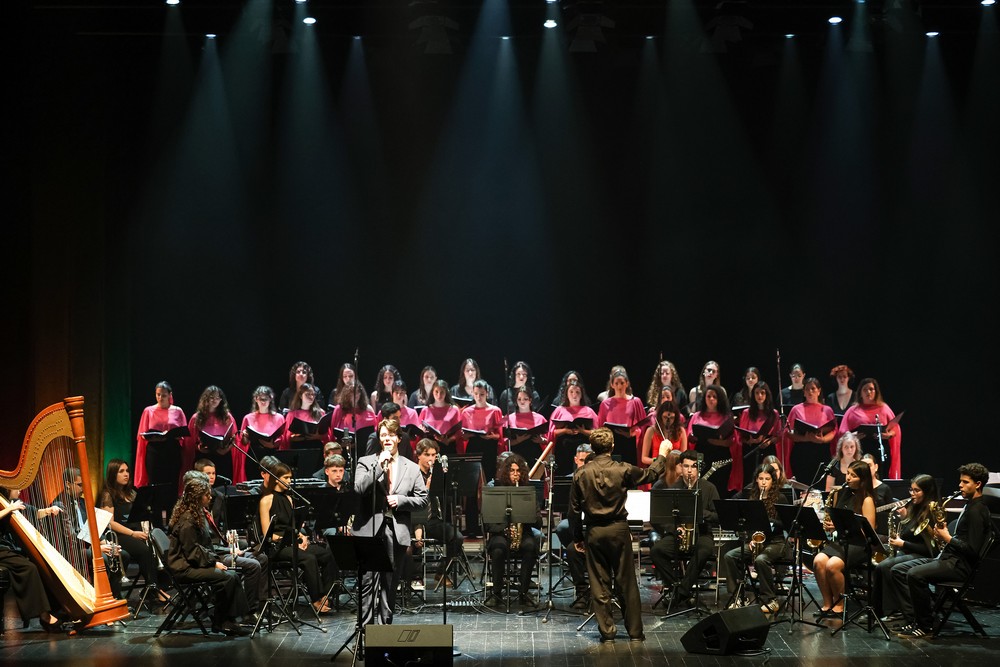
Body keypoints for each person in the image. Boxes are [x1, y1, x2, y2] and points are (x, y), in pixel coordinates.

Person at [571, 427, 671, 642]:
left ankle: (608, 632)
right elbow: (650, 474)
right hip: (618, 530)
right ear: (612, 447)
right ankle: (635, 632)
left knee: (599, 583)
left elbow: (574, 511)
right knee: (626, 582)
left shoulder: (581, 473)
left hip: (594, 532)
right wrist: (662, 454)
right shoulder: (622, 469)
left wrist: (577, 537)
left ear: (593, 448)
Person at [891, 463, 992, 639]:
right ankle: (914, 618)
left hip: (959, 566)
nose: (960, 485)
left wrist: (947, 538)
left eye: (965, 482)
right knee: (898, 570)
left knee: (915, 574)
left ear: (978, 484)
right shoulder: (970, 505)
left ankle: (925, 625)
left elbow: (973, 551)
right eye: (960, 481)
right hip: (949, 559)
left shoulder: (977, 510)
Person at [352, 418, 428, 625]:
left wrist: (401, 500)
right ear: (379, 438)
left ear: (398, 438)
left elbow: (423, 500)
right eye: (383, 435)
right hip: (369, 529)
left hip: (396, 530)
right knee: (367, 582)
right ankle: (365, 630)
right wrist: (378, 466)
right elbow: (359, 489)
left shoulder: (411, 468)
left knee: (389, 582)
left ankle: (384, 629)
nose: (387, 439)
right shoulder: (366, 462)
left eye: (391, 435)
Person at [166, 473, 249, 636]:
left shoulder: (195, 514)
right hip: (184, 568)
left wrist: (214, 559)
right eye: (206, 495)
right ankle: (222, 621)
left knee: (231, 575)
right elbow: (192, 552)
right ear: (197, 497)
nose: (210, 497)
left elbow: (199, 548)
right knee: (227, 577)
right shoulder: (188, 521)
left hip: (191, 563)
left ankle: (228, 619)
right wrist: (213, 563)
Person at [191, 460, 269, 618]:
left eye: (213, 473)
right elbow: (197, 545)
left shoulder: (218, 497)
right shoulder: (192, 508)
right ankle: (248, 611)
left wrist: (230, 544)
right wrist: (226, 551)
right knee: (253, 564)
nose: (212, 477)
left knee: (261, 556)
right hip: (210, 552)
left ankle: (260, 604)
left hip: (218, 545)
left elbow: (223, 525)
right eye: (208, 474)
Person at [258, 461, 337, 615]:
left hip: (293, 542)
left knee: (329, 554)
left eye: (290, 478)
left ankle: (326, 594)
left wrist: (302, 537)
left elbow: (294, 527)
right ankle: (315, 598)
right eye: (286, 478)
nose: (289, 481)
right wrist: (290, 540)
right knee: (308, 559)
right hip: (277, 547)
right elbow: (267, 534)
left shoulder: (289, 499)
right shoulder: (266, 500)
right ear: (276, 478)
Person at [649, 450, 722, 606]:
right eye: (686, 466)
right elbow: (664, 517)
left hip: (702, 533)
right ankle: (678, 587)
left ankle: (681, 592)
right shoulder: (675, 488)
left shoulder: (709, 488)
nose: (689, 470)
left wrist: (700, 513)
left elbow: (718, 516)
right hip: (680, 533)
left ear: (699, 468)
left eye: (693, 467)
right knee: (657, 551)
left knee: (703, 551)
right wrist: (675, 529)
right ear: (681, 467)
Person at [721, 463, 792, 614]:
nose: (764, 482)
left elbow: (785, 524)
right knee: (730, 556)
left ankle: (770, 599)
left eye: (767, 479)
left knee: (761, 559)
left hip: (776, 542)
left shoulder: (780, 497)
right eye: (761, 478)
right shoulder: (752, 497)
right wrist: (751, 539)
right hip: (756, 541)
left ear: (773, 481)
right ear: (756, 480)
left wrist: (769, 522)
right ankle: (738, 597)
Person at [98, 459, 170, 604]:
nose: (126, 474)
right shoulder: (108, 494)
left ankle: (159, 586)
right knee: (144, 550)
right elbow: (109, 522)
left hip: (135, 532)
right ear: (113, 474)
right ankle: (153, 588)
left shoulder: (131, 493)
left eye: (127, 471)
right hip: (119, 536)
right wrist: (132, 534)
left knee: (157, 548)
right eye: (121, 471)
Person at [811, 460, 877, 616]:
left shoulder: (867, 499)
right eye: (848, 473)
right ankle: (828, 603)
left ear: (862, 479)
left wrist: (840, 526)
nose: (848, 478)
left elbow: (869, 530)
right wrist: (831, 524)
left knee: (832, 565)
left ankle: (840, 605)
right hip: (843, 541)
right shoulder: (841, 493)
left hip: (860, 544)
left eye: (853, 476)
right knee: (818, 561)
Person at [872, 474, 940, 622]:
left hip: (923, 555)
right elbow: (909, 534)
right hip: (909, 552)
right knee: (880, 566)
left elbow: (930, 550)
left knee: (886, 566)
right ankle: (879, 610)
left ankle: (894, 610)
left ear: (927, 492)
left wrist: (903, 544)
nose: (912, 494)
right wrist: (904, 518)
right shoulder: (916, 508)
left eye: (917, 491)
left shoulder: (931, 511)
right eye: (911, 490)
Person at [0, 486, 66, 633]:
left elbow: (34, 512)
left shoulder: (12, 502)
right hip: (1, 549)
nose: (20, 490)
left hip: (8, 548)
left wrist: (48, 510)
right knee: (28, 567)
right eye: (15, 487)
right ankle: (43, 615)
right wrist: (9, 509)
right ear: (6, 488)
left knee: (43, 564)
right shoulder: (9, 504)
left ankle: (57, 608)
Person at [484, 453, 541, 606]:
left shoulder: (528, 491)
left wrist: (526, 514)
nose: (516, 475)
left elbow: (538, 521)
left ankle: (524, 592)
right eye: (512, 471)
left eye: (518, 471)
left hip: (523, 532)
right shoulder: (496, 489)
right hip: (500, 532)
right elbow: (488, 522)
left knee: (530, 546)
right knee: (498, 549)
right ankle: (496, 593)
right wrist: (505, 529)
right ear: (506, 472)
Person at [409, 439, 464, 588]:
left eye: (434, 455)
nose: (431, 459)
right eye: (427, 455)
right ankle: (415, 577)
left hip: (433, 520)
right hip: (414, 520)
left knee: (456, 537)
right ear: (418, 455)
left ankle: (442, 572)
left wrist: (444, 483)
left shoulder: (438, 474)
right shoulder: (411, 473)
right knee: (413, 541)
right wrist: (426, 489)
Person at [838, 377, 902, 480]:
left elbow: (895, 429)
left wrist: (888, 435)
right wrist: (852, 436)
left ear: (876, 391)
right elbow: (842, 432)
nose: (869, 392)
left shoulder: (884, 408)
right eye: (865, 389)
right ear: (860, 393)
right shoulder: (853, 410)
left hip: (880, 449)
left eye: (871, 389)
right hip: (859, 449)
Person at [554, 443, 593, 608]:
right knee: (566, 536)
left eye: (587, 460)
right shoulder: (569, 480)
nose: (584, 464)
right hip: (577, 524)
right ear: (576, 460)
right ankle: (582, 591)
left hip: (595, 524)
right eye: (581, 460)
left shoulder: (598, 477)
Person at [134, 380, 188, 489]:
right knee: (155, 481)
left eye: (163, 395)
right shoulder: (148, 410)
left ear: (170, 395)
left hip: (172, 449)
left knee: (172, 481)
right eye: (158, 394)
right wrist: (153, 437)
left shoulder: (178, 411)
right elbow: (142, 435)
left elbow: (184, 434)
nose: (160, 398)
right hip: (155, 450)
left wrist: (175, 435)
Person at [187, 385, 244, 487]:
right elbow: (190, 440)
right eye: (212, 397)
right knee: (203, 486)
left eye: (217, 398)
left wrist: (226, 450)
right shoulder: (196, 417)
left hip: (223, 455)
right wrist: (199, 448)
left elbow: (234, 438)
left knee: (222, 487)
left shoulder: (227, 416)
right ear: (206, 399)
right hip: (204, 456)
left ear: (221, 400)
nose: (214, 400)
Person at [686, 384, 738, 494]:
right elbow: (689, 436)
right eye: (708, 396)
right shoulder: (697, 415)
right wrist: (692, 437)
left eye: (714, 397)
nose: (711, 399)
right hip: (702, 454)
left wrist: (717, 442)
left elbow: (731, 441)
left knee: (719, 487)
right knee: (702, 487)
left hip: (721, 456)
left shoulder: (726, 416)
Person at [786, 377, 837, 487]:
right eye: (807, 389)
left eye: (813, 389)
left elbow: (833, 431)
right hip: (801, 453)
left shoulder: (827, 410)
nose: (810, 392)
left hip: (821, 451)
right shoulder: (796, 409)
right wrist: (805, 438)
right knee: (802, 486)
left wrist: (822, 439)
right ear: (803, 392)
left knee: (820, 486)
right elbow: (788, 432)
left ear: (819, 391)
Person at [595, 368, 648, 467]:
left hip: (630, 443)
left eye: (622, 383)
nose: (619, 386)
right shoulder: (605, 404)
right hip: (611, 444)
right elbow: (600, 428)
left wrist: (635, 432)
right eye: (616, 383)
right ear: (612, 385)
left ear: (627, 384)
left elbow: (643, 425)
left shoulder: (635, 401)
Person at [547, 377, 597, 476]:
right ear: (566, 394)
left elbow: (597, 433)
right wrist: (565, 430)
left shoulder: (588, 410)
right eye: (571, 392)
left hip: (584, 449)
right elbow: (551, 433)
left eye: (577, 392)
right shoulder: (559, 410)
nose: (574, 395)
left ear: (582, 394)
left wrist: (583, 431)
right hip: (564, 450)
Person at [735, 382, 782, 488]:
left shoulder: (773, 413)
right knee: (751, 479)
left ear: (767, 395)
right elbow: (741, 436)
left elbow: (778, 435)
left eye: (762, 393)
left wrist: (769, 441)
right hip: (751, 450)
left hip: (767, 448)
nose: (759, 396)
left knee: (768, 478)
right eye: (757, 393)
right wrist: (751, 441)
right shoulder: (747, 412)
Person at [239, 385, 286, 481]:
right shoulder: (248, 417)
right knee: (254, 482)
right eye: (261, 399)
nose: (263, 402)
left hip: (272, 455)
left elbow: (283, 438)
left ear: (271, 399)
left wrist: (272, 445)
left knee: (273, 482)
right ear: (256, 399)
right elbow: (243, 442)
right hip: (255, 455)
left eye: (266, 399)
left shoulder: (279, 417)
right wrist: (245, 436)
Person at [500, 385, 549, 468]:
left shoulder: (540, 418)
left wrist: (541, 440)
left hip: (535, 456)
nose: (522, 402)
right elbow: (504, 442)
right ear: (515, 401)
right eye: (519, 399)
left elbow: (548, 441)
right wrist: (517, 441)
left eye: (525, 399)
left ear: (530, 400)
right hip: (515, 457)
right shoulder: (508, 418)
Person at [329, 380, 378, 450]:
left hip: (364, 449)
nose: (356, 395)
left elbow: (375, 432)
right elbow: (333, 433)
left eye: (358, 392)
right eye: (352, 392)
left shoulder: (368, 409)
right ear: (347, 394)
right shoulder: (339, 409)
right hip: (344, 449)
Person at [418, 379, 462, 456]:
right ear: (432, 392)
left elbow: (459, 432)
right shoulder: (426, 410)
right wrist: (421, 430)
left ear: (446, 393)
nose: (439, 395)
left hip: (447, 446)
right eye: (436, 392)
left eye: (442, 392)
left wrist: (448, 440)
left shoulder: (454, 409)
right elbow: (419, 427)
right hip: (429, 447)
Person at [640, 395, 687, 467]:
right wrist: (658, 460)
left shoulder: (681, 431)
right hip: (657, 469)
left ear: (676, 418)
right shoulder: (651, 430)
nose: (668, 421)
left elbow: (684, 457)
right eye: (665, 417)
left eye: (671, 418)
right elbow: (644, 458)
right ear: (660, 416)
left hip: (674, 470)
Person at [282, 383, 327, 449]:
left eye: (313, 394)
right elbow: (286, 437)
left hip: (316, 447)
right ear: (300, 395)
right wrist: (296, 437)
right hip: (298, 447)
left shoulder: (320, 413)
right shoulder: (292, 414)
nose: (311, 397)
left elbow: (327, 435)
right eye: (308, 394)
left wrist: (317, 436)